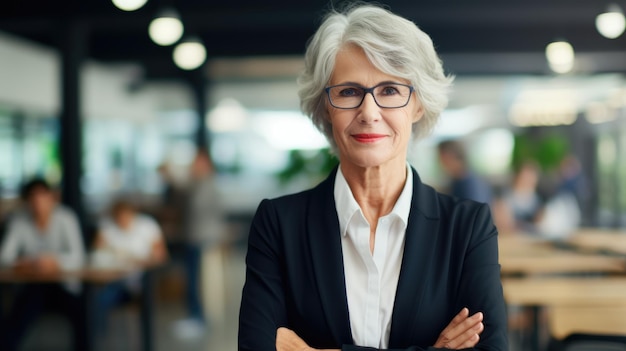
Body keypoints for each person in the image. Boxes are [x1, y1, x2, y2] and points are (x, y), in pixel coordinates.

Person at [239, 5, 508, 351]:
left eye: (390, 91)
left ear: (418, 104)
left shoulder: (468, 228)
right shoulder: (278, 225)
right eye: (349, 92)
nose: (369, 113)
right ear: (326, 106)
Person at [0, 178, 86, 351]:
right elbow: (4, 258)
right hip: (33, 286)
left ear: (51, 198)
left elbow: (79, 256)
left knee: (85, 314)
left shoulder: (65, 218)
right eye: (33, 198)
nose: (38, 203)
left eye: (42, 197)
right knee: (15, 317)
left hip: (64, 286)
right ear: (27, 201)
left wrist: (55, 262)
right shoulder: (19, 221)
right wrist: (24, 263)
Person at [92, 199, 168, 331]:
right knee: (96, 300)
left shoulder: (147, 226)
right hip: (115, 280)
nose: (123, 221)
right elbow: (96, 253)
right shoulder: (108, 227)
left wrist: (144, 258)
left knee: (143, 299)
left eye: (126, 216)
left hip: (141, 281)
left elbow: (161, 255)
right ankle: (96, 338)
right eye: (119, 217)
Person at [173, 148, 226, 338]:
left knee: (199, 281)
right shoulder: (197, 184)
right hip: (193, 237)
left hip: (203, 239)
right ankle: (195, 316)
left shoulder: (206, 184)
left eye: (198, 163)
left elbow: (197, 207)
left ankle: (198, 319)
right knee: (192, 279)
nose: (194, 166)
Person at [436, 139, 492, 204]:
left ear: (449, 156)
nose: (439, 162)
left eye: (440, 157)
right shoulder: (463, 178)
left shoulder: (468, 184)